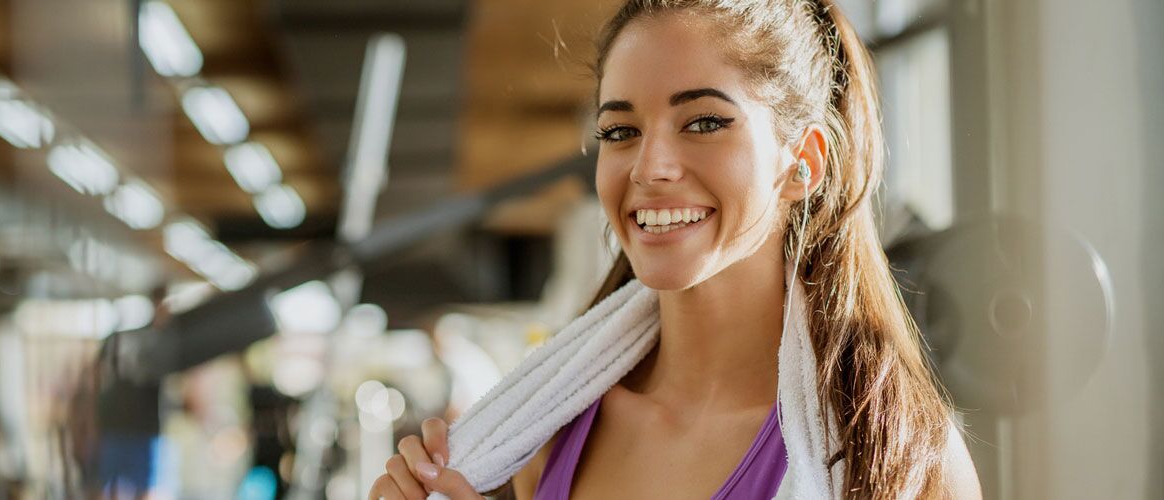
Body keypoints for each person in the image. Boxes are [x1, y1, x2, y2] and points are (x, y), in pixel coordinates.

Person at [369, 0, 981, 498]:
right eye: (620, 132)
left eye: (705, 122)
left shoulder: (899, 457)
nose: (649, 166)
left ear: (804, 162)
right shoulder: (542, 436)